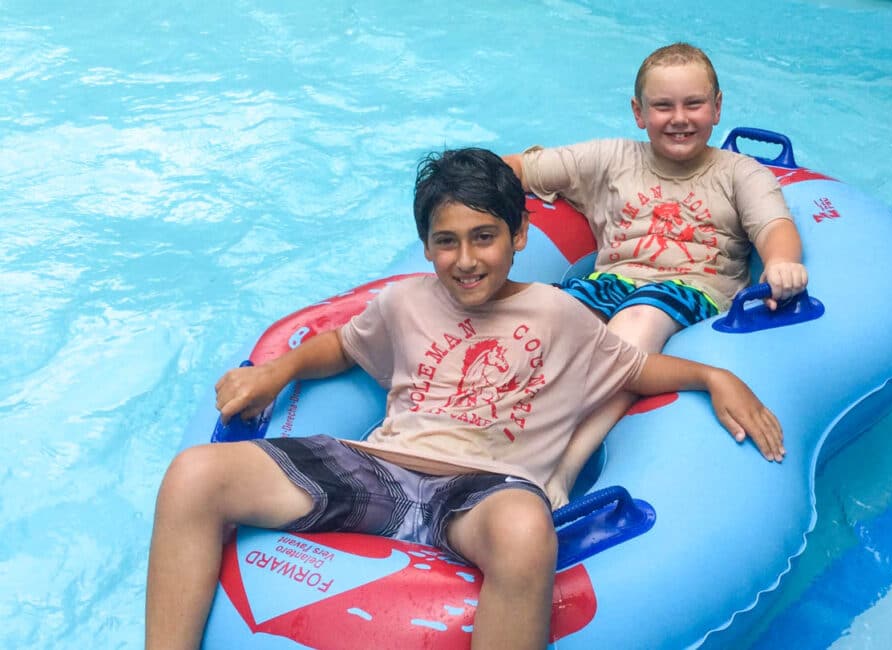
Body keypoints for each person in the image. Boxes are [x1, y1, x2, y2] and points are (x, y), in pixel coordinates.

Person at [144, 147, 783, 650]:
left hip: (483, 487)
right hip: (380, 468)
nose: (465, 259)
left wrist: (714, 377)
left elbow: (635, 368)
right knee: (195, 474)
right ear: (426, 246)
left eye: (484, 237)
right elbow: (341, 345)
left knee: (526, 529)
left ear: (520, 236)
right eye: (446, 241)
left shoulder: (557, 313)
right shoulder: (405, 301)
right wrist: (278, 371)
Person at [503, 42, 803, 507]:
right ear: (639, 112)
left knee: (637, 323)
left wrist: (782, 261)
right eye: (663, 105)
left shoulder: (740, 172)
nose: (679, 118)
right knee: (543, 318)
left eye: (694, 104)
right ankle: (493, 437)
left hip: (690, 288)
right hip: (611, 281)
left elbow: (774, 226)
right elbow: (519, 169)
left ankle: (560, 468)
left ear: (718, 107)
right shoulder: (612, 158)